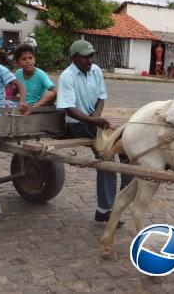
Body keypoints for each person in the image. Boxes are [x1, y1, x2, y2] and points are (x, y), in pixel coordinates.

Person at [56, 39, 133, 225]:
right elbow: (69, 109)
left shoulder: (96, 71)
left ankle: (124, 195)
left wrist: (97, 117)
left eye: (91, 55)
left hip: (91, 121)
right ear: (74, 58)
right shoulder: (67, 76)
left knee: (126, 147)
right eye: (85, 57)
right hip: (76, 124)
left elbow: (101, 97)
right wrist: (92, 120)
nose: (90, 60)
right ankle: (104, 210)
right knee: (106, 158)